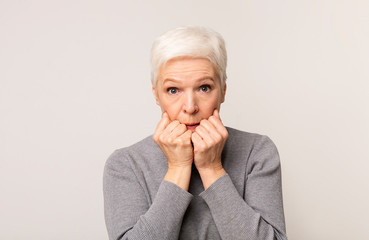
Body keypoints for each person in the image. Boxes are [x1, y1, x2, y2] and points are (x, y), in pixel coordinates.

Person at [103, 26, 288, 240]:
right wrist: (178, 168)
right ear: (156, 95)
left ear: (223, 91)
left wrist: (212, 169)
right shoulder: (125, 164)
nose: (190, 107)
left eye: (204, 88)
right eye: (173, 90)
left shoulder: (257, 151)